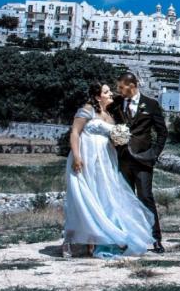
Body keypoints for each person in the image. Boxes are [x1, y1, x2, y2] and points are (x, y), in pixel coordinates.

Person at [62, 82, 155, 259]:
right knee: (85, 197)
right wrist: (76, 156)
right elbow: (75, 133)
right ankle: (71, 239)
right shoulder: (87, 110)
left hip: (105, 161)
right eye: (106, 92)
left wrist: (119, 139)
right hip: (86, 158)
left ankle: (97, 240)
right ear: (98, 97)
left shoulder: (110, 116)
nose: (110, 93)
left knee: (103, 198)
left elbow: (110, 138)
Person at [111, 72, 168, 254]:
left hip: (144, 160)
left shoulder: (151, 105)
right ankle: (127, 238)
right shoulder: (117, 104)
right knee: (124, 200)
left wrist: (154, 154)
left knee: (145, 198)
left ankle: (155, 239)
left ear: (132, 85)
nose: (118, 91)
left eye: (121, 87)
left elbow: (162, 132)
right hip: (123, 160)